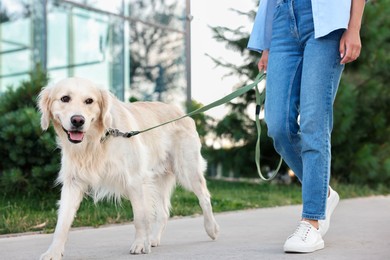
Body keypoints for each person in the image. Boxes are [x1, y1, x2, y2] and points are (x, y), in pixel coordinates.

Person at [247, 0, 366, 253]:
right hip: (282, 21)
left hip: (326, 20)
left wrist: (353, 27)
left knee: (314, 122)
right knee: (278, 126)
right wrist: (267, 44)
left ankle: (311, 220)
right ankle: (322, 193)